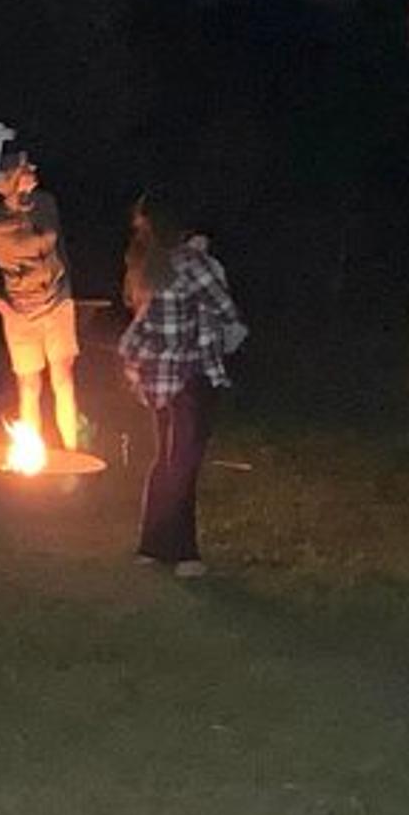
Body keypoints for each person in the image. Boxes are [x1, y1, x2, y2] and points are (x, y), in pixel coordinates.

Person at [118, 192, 246, 577]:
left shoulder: (144, 267)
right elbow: (227, 309)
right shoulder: (193, 263)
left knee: (165, 460)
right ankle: (185, 553)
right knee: (184, 465)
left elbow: (141, 327)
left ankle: (152, 547)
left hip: (158, 380)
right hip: (192, 376)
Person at [0, 150, 81, 451]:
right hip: (21, 313)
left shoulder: (46, 204)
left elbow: (62, 247)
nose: (33, 168)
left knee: (65, 380)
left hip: (57, 304)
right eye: (25, 167)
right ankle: (34, 457)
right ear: (12, 179)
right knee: (30, 386)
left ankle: (72, 452)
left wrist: (66, 283)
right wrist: (4, 309)